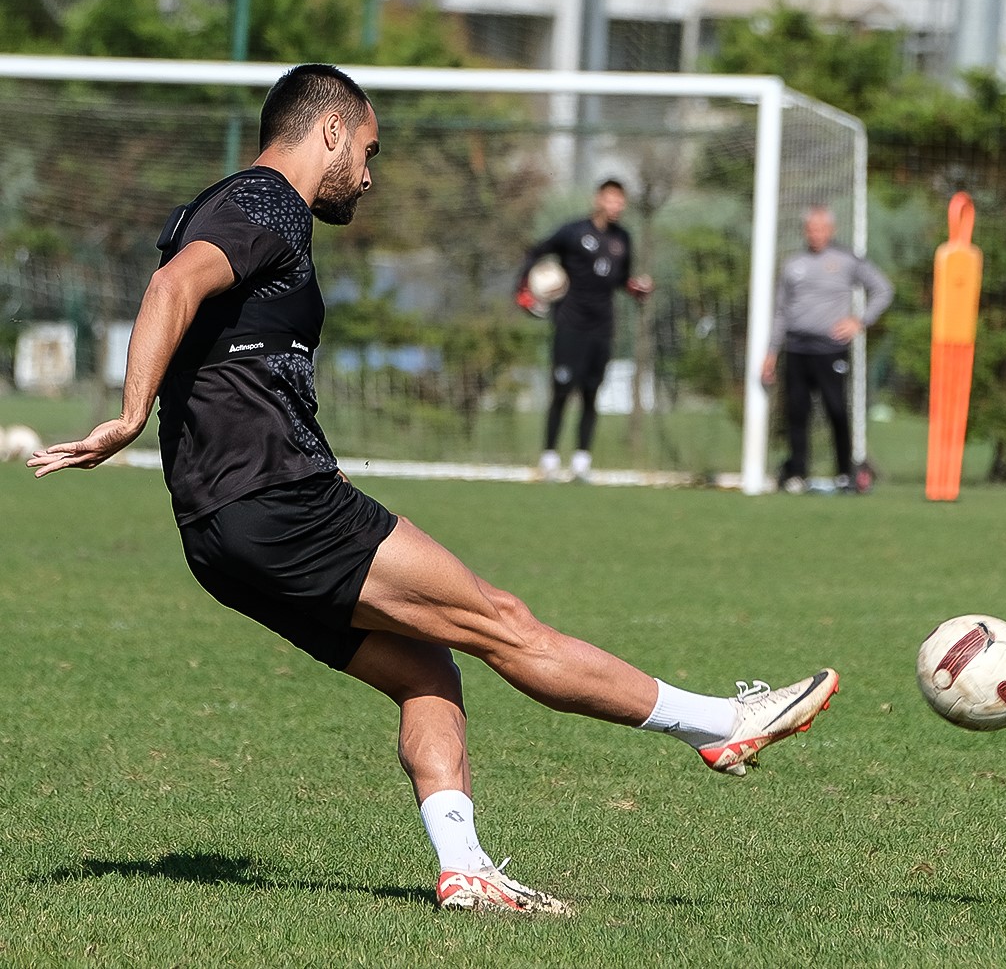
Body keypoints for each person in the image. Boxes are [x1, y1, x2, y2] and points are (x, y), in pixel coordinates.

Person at [29, 64, 839, 917]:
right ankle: (719, 725)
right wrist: (127, 417)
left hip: (218, 534)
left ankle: (465, 869)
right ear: (331, 130)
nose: (369, 176)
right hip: (281, 502)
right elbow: (171, 287)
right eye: (368, 150)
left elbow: (217, 337)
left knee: (427, 671)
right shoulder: (266, 201)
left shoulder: (232, 206)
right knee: (504, 622)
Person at [517, 179, 654, 483]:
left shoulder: (623, 239)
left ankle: (581, 461)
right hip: (570, 323)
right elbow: (535, 252)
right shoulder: (573, 232)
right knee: (562, 390)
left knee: (592, 393)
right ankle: (550, 458)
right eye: (610, 199)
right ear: (598, 199)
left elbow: (621, 279)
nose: (615, 205)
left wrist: (636, 288)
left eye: (620, 200)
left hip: (602, 326)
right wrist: (523, 288)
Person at [762, 205, 894, 495]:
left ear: (831, 230)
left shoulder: (846, 260)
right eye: (811, 229)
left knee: (836, 409)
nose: (816, 234)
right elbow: (780, 311)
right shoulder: (793, 264)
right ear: (804, 231)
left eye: (821, 228)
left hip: (830, 349)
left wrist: (860, 321)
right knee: (797, 412)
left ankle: (845, 474)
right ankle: (797, 473)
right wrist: (772, 351)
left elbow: (883, 289)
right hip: (796, 348)